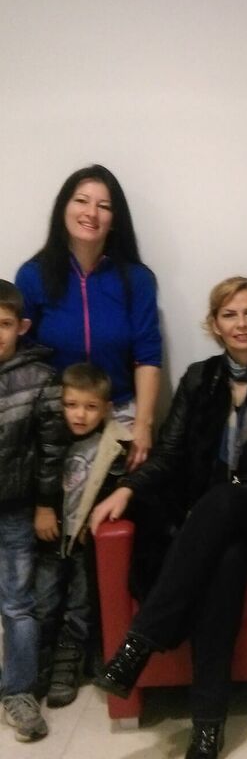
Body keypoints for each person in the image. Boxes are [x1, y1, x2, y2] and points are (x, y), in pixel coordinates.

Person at [90, 277, 247, 759]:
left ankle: (138, 645)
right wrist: (128, 487)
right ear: (214, 325)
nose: (241, 324)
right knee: (226, 561)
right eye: (229, 315)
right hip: (218, 525)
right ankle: (207, 729)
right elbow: (170, 453)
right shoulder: (199, 378)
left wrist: (232, 493)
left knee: (225, 502)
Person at [16, 165, 161, 470]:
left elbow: (147, 356)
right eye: (81, 201)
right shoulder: (32, 275)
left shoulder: (137, 279)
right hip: (53, 415)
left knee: (121, 496)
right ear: (63, 208)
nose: (91, 213)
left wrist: (144, 424)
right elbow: (23, 355)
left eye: (104, 206)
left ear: (115, 219)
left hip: (117, 412)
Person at [33, 363, 130, 709]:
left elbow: (119, 489)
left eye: (90, 407)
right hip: (49, 540)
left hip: (83, 545)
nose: (79, 415)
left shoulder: (114, 447)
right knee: (44, 604)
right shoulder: (48, 442)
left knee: (80, 605)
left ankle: (68, 666)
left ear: (105, 408)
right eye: (71, 405)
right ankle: (40, 666)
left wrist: (97, 521)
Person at [0, 280, 68, 742]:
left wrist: (45, 506)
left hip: (16, 510)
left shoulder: (41, 378)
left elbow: (51, 452)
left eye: (4, 324)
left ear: (21, 327)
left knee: (18, 603)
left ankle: (19, 691)